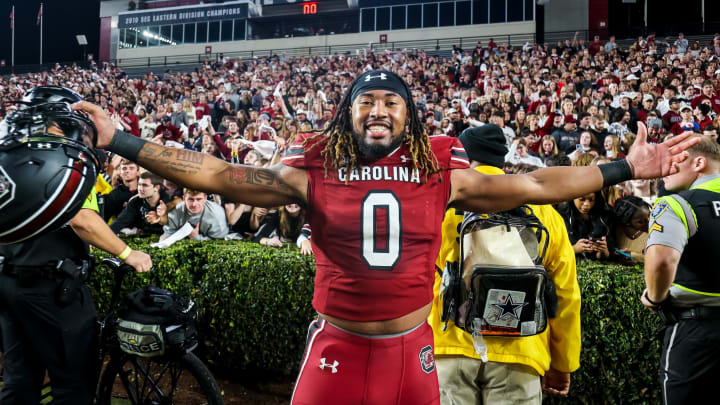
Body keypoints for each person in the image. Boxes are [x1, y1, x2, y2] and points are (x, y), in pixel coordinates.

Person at [75, 69, 699, 405]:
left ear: (410, 115)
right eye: (366, 100)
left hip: (415, 355)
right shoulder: (311, 168)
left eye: (391, 101)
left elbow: (535, 185)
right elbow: (216, 173)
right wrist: (122, 141)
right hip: (338, 350)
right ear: (348, 114)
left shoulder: (442, 173)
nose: (379, 109)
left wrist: (625, 169)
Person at [0, 86, 152, 405]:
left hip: (11, 283)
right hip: (52, 290)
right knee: (74, 385)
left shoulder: (11, 155)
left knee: (20, 382)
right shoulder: (62, 158)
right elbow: (81, 219)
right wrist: (128, 253)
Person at [429, 125, 580, 405]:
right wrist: (563, 363)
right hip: (521, 350)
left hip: (450, 346)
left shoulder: (441, 203)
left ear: (465, 159)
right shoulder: (541, 208)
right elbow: (565, 293)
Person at [641, 135, 720, 404]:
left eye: (676, 160)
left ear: (699, 162)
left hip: (696, 329)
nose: (665, 168)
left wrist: (654, 297)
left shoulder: (676, 203)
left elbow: (661, 261)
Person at [109, 171, 171, 235]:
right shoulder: (135, 201)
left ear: (156, 188)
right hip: (143, 239)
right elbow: (119, 223)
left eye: (145, 185)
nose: (140, 189)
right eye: (139, 184)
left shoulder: (169, 201)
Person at [161, 189, 229, 241]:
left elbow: (220, 242)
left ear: (205, 198)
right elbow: (168, 233)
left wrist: (196, 237)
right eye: (190, 199)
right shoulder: (177, 210)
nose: (194, 204)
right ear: (184, 199)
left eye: (199, 199)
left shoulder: (216, 214)